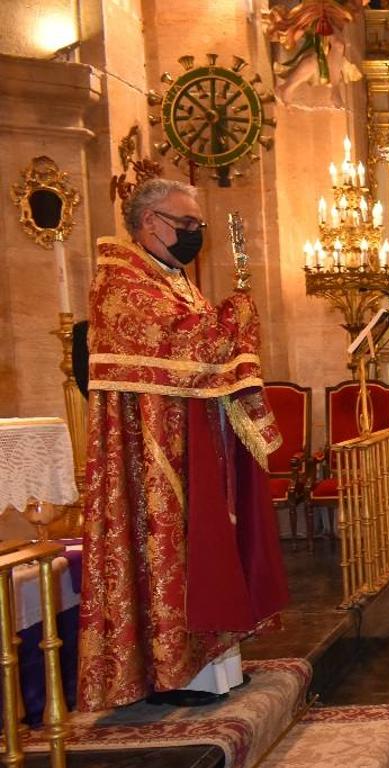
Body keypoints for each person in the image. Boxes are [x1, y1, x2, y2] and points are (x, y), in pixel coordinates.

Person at [79, 178, 290, 710]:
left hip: (197, 440)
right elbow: (184, 343)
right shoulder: (122, 283)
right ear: (150, 222)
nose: (196, 234)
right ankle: (172, 671)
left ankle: (215, 664)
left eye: (198, 224)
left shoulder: (172, 279)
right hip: (155, 457)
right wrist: (235, 317)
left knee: (211, 544)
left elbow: (199, 338)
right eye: (187, 223)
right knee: (170, 549)